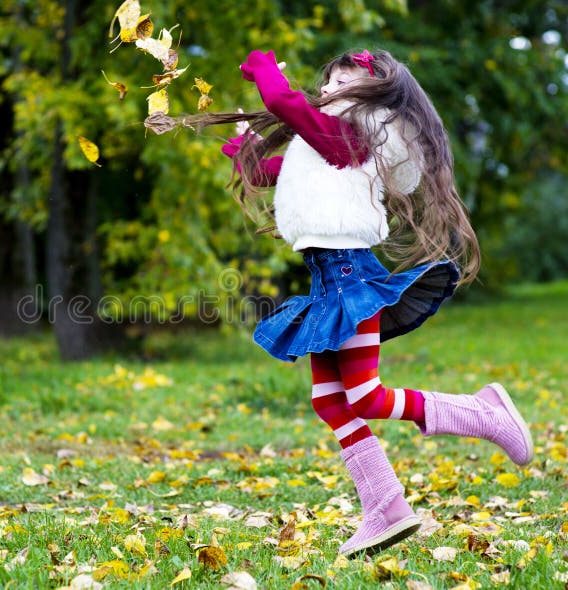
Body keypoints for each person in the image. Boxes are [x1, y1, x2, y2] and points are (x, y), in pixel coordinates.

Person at [192, 49, 534, 557]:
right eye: (327, 81)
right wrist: (244, 149)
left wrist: (266, 72)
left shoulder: (359, 133)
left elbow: (288, 106)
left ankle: (483, 413)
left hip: (350, 277)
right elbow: (269, 174)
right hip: (326, 281)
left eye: (343, 78)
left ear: (376, 87)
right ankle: (385, 506)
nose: (329, 87)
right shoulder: (326, 143)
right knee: (330, 401)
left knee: (366, 395)